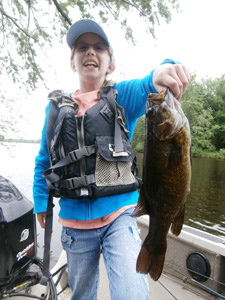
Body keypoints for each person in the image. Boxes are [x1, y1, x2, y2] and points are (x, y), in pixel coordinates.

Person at [33, 19, 190, 300]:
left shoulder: (122, 97)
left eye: (99, 47)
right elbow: (44, 160)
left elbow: (152, 80)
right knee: (81, 294)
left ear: (110, 63)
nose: (90, 52)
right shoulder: (55, 109)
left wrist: (167, 67)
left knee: (131, 292)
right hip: (74, 224)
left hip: (120, 217)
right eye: (82, 47)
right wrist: (39, 201)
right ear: (73, 61)